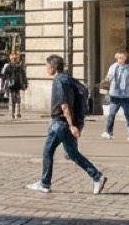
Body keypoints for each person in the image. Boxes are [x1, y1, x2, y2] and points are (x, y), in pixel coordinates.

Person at [27, 55, 106, 194]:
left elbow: (64, 105)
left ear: (52, 67)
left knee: (48, 151)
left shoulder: (59, 81)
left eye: (47, 66)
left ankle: (45, 184)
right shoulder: (68, 79)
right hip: (68, 122)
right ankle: (97, 176)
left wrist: (71, 125)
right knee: (73, 153)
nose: (46, 69)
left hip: (61, 123)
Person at [100, 49, 129, 139]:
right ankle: (108, 132)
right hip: (115, 95)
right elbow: (109, 76)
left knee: (128, 114)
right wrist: (106, 81)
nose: (119, 60)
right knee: (111, 114)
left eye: (122, 58)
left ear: (126, 58)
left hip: (126, 95)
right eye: (118, 58)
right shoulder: (114, 66)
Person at [0, 51, 28, 120]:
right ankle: (13, 113)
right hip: (12, 85)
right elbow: (4, 76)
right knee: (13, 99)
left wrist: (25, 83)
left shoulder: (19, 67)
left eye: (15, 59)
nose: (14, 60)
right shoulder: (9, 67)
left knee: (17, 99)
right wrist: (2, 85)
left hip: (17, 85)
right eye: (13, 59)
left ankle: (17, 113)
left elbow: (24, 76)